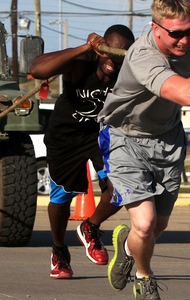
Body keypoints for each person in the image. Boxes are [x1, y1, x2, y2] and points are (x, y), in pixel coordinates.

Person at [97, 0, 190, 300]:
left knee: (156, 227)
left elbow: (187, 38)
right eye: (175, 34)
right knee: (145, 223)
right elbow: (189, 95)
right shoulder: (144, 56)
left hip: (168, 139)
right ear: (155, 27)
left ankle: (129, 246)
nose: (184, 41)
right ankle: (144, 278)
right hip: (125, 137)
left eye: (189, 31)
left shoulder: (188, 33)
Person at [28, 25, 135, 279]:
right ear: (101, 49)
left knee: (121, 187)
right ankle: (59, 250)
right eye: (110, 52)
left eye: (121, 55)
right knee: (61, 198)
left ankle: (91, 226)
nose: (113, 60)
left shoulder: (129, 71)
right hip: (66, 136)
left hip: (100, 135)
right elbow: (36, 69)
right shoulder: (82, 62)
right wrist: (85, 47)